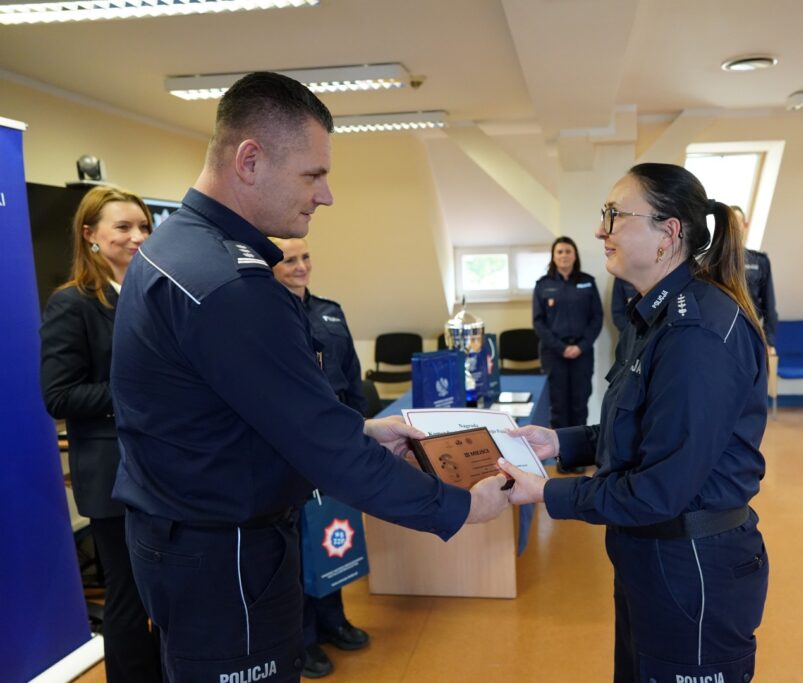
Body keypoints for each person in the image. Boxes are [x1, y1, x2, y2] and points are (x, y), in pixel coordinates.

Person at [109, 72, 509, 683]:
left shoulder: (173, 250)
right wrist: (458, 506)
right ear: (250, 161)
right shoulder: (233, 287)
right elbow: (324, 449)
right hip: (228, 554)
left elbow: (239, 407)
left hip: (182, 539)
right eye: (312, 175)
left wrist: (362, 429)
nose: (326, 196)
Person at [499, 163, 770, 682]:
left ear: (668, 234)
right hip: (651, 557)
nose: (600, 230)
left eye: (614, 215)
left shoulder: (696, 335)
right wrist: (559, 442)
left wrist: (547, 492)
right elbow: (645, 429)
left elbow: (660, 488)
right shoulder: (654, 317)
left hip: (691, 568)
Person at [39, 186, 163, 683]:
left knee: (165, 593)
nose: (138, 236)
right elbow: (60, 395)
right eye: (124, 227)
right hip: (115, 478)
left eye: (144, 226)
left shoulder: (154, 294)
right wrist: (138, 391)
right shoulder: (72, 304)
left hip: (166, 469)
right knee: (130, 598)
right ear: (90, 234)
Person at [269, 237, 369, 678]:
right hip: (292, 444)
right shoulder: (263, 314)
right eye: (289, 260)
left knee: (332, 529)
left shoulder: (330, 310)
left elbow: (352, 376)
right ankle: (304, 636)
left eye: (305, 257)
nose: (300, 266)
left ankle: (334, 620)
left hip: (337, 441)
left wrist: (361, 430)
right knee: (298, 540)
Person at [532, 237, 603, 475]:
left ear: (575, 255)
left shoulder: (587, 282)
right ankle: (562, 458)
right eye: (560, 251)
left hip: (582, 353)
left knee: (579, 403)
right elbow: (538, 323)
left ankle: (579, 456)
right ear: (554, 256)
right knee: (559, 407)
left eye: (568, 251)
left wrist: (580, 346)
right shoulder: (543, 285)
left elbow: (597, 318)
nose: (564, 255)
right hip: (554, 354)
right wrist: (561, 348)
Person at [731, 205, 778, 346]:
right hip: (721, 334)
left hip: (750, 333)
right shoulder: (712, 262)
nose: (733, 227)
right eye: (730, 223)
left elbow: (769, 307)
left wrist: (768, 342)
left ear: (745, 225)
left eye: (737, 222)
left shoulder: (759, 261)